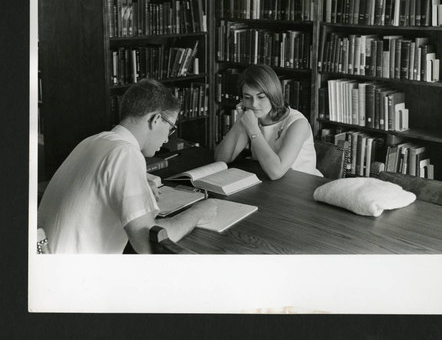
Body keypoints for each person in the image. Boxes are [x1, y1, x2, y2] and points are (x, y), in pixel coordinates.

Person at [38, 79, 217, 254]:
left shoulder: (93, 141)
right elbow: (148, 243)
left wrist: (142, 182)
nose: (167, 138)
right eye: (171, 127)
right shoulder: (126, 153)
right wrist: (197, 213)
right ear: (155, 119)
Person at [214, 64, 322, 179]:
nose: (254, 104)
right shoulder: (251, 118)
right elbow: (221, 159)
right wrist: (239, 121)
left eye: (261, 97)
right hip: (272, 186)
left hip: (301, 187)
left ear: (273, 95)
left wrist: (253, 130)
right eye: (247, 97)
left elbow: (276, 172)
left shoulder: (298, 124)